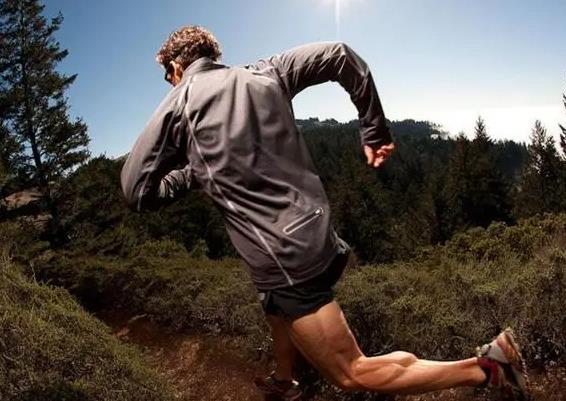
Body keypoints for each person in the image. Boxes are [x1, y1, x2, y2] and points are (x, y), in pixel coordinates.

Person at [120, 26, 530, 401]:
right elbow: (339, 55)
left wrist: (189, 174)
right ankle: (285, 381)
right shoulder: (266, 71)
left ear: (176, 67)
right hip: (313, 229)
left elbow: (136, 191)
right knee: (274, 308)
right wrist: (374, 130)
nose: (170, 83)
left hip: (285, 257)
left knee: (351, 372)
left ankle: (487, 368)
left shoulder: (178, 103)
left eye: (168, 76)